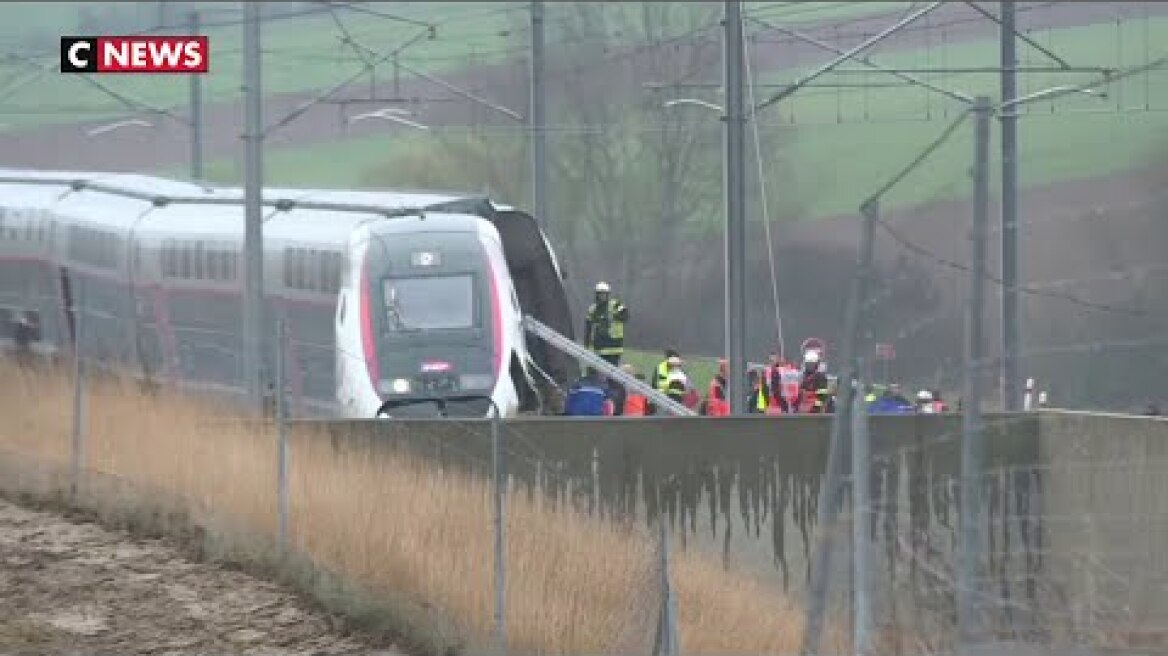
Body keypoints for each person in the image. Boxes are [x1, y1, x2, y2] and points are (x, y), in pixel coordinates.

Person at [583, 281, 628, 366]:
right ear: (596, 295)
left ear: (608, 294)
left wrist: (613, 317)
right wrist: (586, 345)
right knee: (600, 375)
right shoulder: (593, 309)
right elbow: (588, 328)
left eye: (604, 294)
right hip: (599, 348)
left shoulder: (615, 304)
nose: (602, 296)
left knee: (612, 375)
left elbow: (625, 315)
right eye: (600, 294)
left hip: (614, 348)